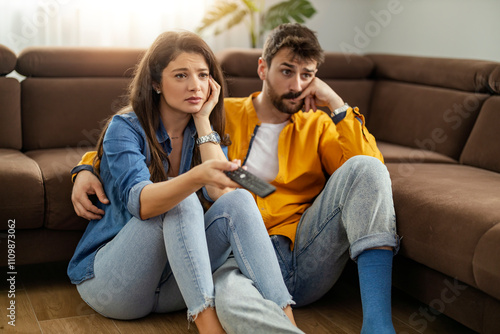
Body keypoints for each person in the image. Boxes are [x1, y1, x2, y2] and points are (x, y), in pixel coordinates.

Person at [72, 24, 400, 333]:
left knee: (360, 169)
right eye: (287, 71)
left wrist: (338, 106)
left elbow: (368, 175)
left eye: (307, 76)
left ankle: (367, 325)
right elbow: (125, 143)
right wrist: (86, 168)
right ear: (262, 69)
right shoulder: (222, 114)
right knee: (225, 288)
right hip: (230, 256)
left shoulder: (317, 125)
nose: (297, 86)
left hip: (299, 246)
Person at [67, 30, 298, 334]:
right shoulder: (124, 128)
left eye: (203, 75)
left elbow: (220, 192)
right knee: (183, 199)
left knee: (239, 200)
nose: (195, 86)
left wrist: (203, 119)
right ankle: (209, 328)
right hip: (115, 284)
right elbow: (143, 203)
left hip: (174, 285)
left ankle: (288, 320)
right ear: (155, 83)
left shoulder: (203, 127)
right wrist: (195, 177)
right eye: (180, 75)